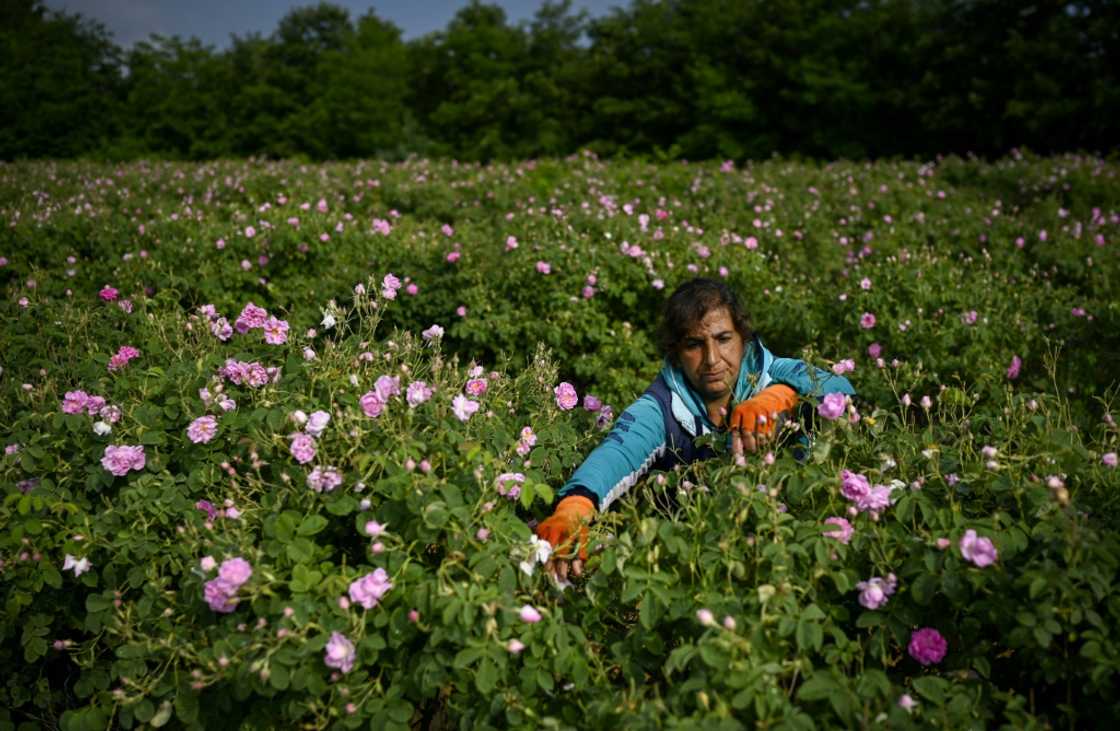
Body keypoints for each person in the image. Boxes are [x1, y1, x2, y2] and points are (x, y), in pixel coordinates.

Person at [536, 277, 855, 581]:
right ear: (676, 352)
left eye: (723, 339)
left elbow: (841, 388)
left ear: (743, 338)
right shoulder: (660, 407)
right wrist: (573, 508)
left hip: (797, 545)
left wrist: (780, 397)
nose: (712, 359)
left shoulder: (775, 372)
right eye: (694, 344)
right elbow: (617, 452)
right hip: (697, 567)